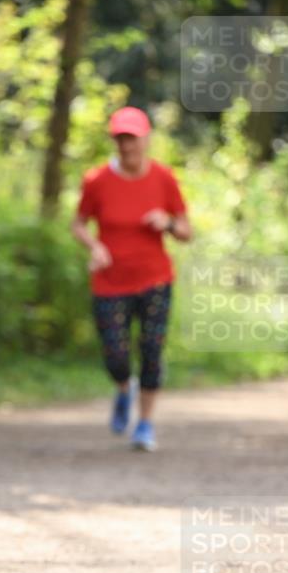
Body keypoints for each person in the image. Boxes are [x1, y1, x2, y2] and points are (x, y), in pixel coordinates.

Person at [72, 106, 191, 451]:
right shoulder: (97, 181)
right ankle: (125, 388)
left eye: (133, 138)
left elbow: (186, 231)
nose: (127, 146)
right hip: (109, 282)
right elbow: (78, 223)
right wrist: (94, 246)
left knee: (152, 351)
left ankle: (146, 424)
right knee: (116, 356)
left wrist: (167, 222)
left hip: (155, 280)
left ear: (146, 139)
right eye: (121, 138)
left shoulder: (164, 179)